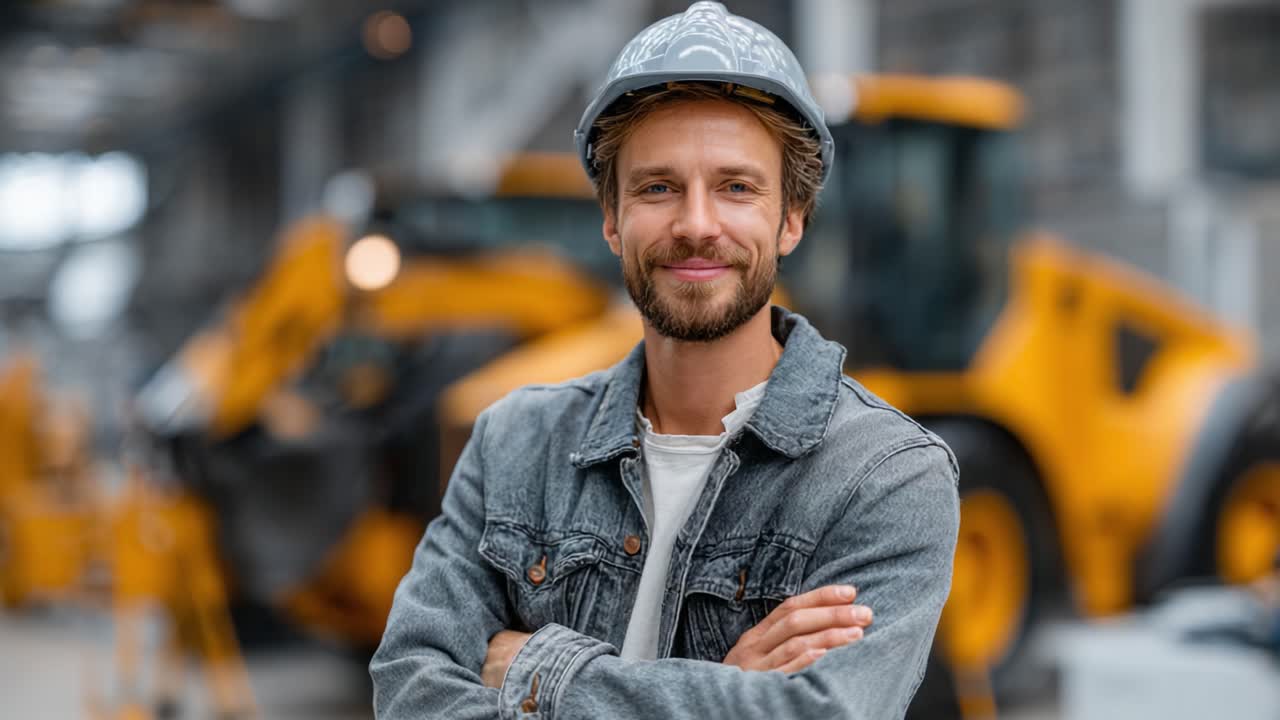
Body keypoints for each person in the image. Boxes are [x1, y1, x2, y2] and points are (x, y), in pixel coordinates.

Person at [371, 3, 959, 718]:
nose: (696, 224)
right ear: (612, 219)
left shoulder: (884, 477)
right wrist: (724, 688)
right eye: (658, 187)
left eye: (736, 187)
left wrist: (534, 668)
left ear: (792, 219)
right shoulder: (512, 446)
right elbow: (409, 687)